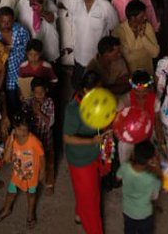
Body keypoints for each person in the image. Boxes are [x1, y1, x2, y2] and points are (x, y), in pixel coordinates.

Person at [63, 70, 104, 234]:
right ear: (86, 90)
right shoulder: (73, 110)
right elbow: (67, 137)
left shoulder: (93, 99)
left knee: (87, 191)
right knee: (91, 200)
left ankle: (79, 214)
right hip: (81, 160)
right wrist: (92, 141)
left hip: (93, 154)